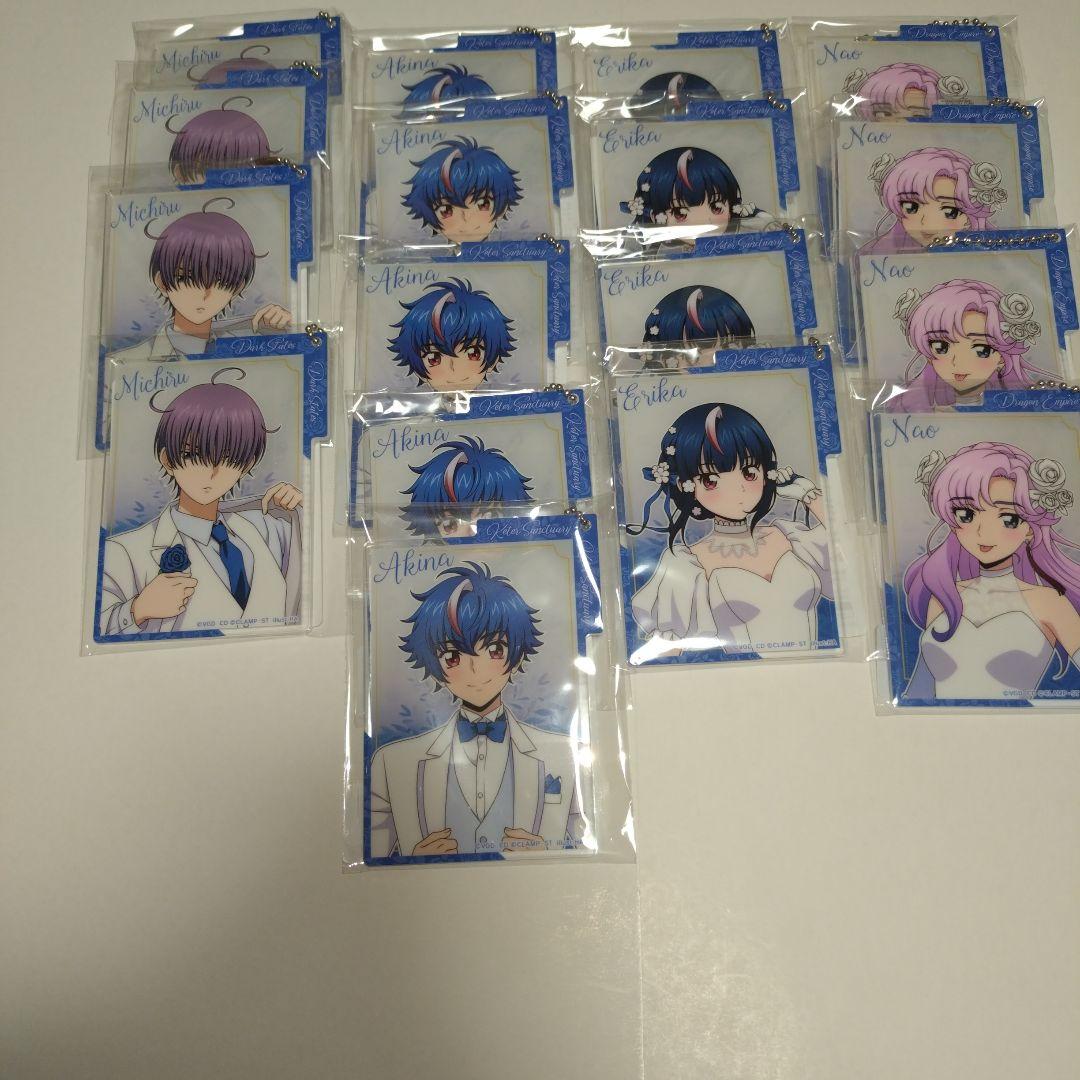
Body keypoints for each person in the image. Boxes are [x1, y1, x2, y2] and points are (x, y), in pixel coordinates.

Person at [368, 563, 583, 858]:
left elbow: (591, 847)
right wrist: (411, 861)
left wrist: (549, 855)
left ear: (518, 658)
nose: (475, 671)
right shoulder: (391, 763)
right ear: (434, 668)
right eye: (452, 656)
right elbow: (370, 862)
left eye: (495, 650)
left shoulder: (567, 756)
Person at [97, 369, 302, 638]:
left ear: (246, 464)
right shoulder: (125, 552)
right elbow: (95, 628)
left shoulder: (268, 529)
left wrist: (303, 505)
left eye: (228, 458)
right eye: (192, 455)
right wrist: (137, 610)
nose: (211, 472)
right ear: (167, 460)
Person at [630, 402, 832, 654]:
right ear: (685, 485)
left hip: (822, 672)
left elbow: (855, 567)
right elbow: (669, 656)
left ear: (766, 472)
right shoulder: (688, 566)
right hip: (742, 678)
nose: (738, 490)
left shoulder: (789, 536)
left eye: (749, 472)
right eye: (710, 480)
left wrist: (808, 495)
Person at [903, 442, 1080, 700]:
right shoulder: (944, 597)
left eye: (1009, 519)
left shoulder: (1050, 603)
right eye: (966, 515)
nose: (983, 533)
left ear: (1030, 529)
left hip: (1023, 724)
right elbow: (919, 692)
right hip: (937, 724)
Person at [111, 199, 292, 362]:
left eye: (220, 281)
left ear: (237, 288)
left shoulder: (244, 348)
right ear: (162, 283)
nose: (204, 294)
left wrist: (280, 331)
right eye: (187, 277)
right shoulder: (126, 362)